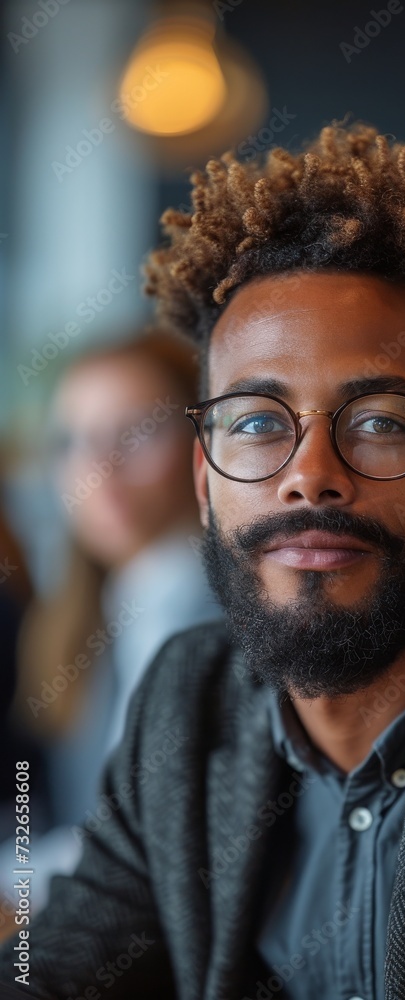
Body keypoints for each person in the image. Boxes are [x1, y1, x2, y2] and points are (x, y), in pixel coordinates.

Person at [1, 122, 405, 1000]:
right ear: (204, 478)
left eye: (379, 420)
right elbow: (54, 971)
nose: (309, 478)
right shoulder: (190, 704)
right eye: (257, 423)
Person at [2, 332, 221, 913]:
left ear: (203, 448)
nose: (100, 467)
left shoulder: (217, 620)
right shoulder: (91, 616)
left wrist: (14, 886)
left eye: (138, 432)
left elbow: (149, 854)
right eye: (73, 441)